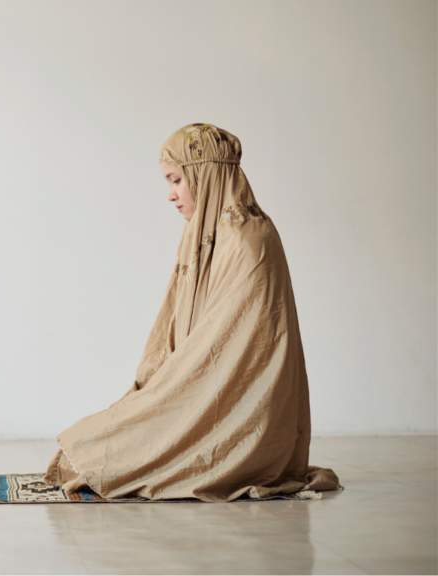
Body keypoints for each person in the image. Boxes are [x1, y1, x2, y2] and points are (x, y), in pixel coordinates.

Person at [43, 123, 342, 501]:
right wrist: (157, 385)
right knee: (89, 452)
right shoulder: (200, 233)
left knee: (103, 457)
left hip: (234, 401)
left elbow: (231, 350)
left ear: (205, 174)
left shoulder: (251, 241)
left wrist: (171, 395)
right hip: (196, 381)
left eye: (176, 180)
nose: (170, 194)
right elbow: (174, 328)